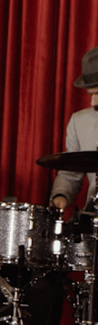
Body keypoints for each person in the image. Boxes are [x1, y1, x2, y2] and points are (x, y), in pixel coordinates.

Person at [51, 47, 98, 211]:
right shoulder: (79, 122)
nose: (93, 103)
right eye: (90, 95)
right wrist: (61, 195)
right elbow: (70, 172)